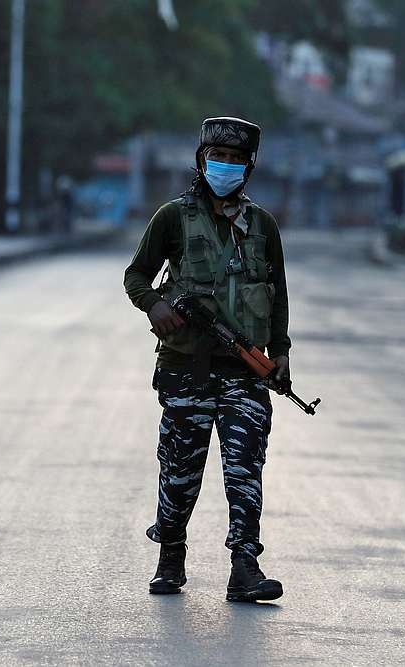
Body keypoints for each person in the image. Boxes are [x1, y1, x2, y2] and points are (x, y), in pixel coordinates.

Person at [123, 117, 291, 602]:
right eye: (218, 158)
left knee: (245, 470)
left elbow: (277, 295)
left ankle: (245, 566)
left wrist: (280, 353)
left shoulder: (262, 226)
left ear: (250, 168)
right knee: (180, 470)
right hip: (186, 370)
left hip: (246, 373)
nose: (227, 167)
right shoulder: (173, 218)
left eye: (237, 160)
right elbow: (137, 275)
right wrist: (155, 306)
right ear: (201, 161)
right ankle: (170, 556)